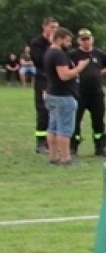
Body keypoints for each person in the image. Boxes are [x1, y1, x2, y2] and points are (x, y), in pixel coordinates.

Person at [41, 25, 86, 165]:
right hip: (63, 96)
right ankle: (66, 158)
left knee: (52, 128)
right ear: (59, 39)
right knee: (64, 129)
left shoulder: (49, 52)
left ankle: (54, 157)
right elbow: (64, 75)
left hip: (52, 94)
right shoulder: (59, 54)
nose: (69, 44)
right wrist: (80, 67)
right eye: (67, 41)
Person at [70, 28, 106, 157]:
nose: (86, 42)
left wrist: (101, 72)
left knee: (98, 120)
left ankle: (100, 146)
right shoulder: (73, 54)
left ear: (92, 39)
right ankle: (73, 146)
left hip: (96, 93)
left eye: (88, 39)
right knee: (76, 120)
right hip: (79, 92)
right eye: (83, 39)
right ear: (78, 41)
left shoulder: (98, 53)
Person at [28, 17, 57, 154]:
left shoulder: (59, 42)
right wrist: (51, 45)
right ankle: (40, 142)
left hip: (56, 79)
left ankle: (54, 140)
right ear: (44, 27)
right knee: (43, 110)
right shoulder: (36, 43)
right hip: (42, 79)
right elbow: (41, 60)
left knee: (56, 110)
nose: (54, 30)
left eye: (56, 27)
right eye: (52, 27)